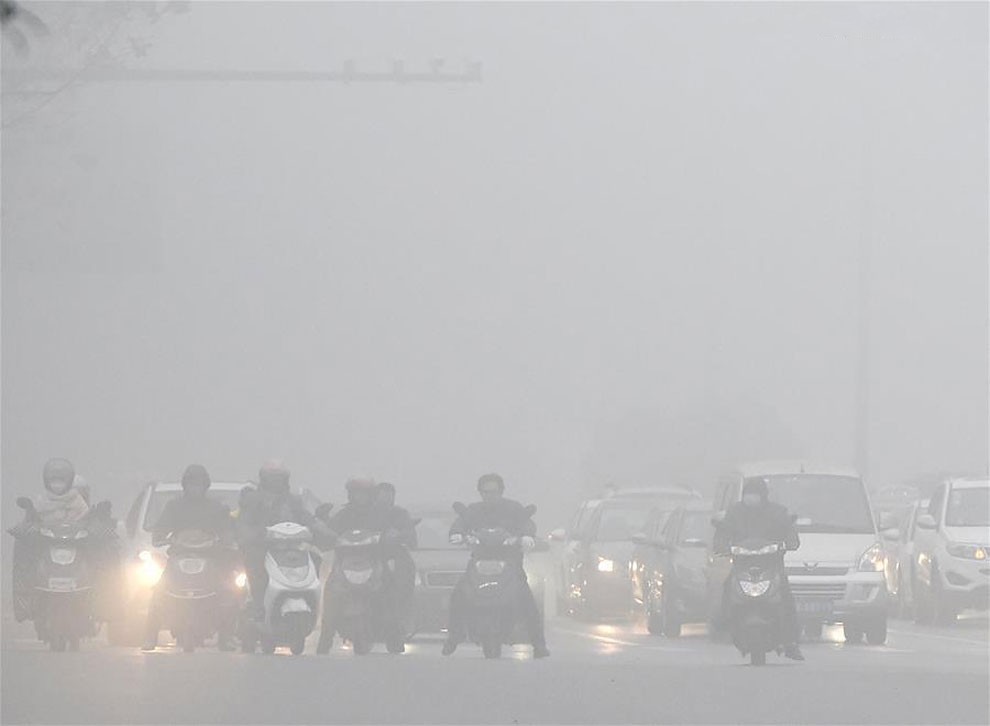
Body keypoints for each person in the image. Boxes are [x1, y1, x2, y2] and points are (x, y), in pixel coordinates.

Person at [442, 473, 549, 658]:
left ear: (501, 491)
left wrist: (526, 536)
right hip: (478, 562)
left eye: (493, 491)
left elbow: (527, 523)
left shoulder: (514, 509)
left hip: (510, 563)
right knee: (458, 595)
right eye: (485, 492)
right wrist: (457, 534)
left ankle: (539, 644)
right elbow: (460, 523)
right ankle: (454, 636)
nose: (489, 495)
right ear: (480, 493)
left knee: (527, 600)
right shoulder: (473, 510)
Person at [142, 464, 237, 651]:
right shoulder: (174, 506)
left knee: (228, 592)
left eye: (199, 484)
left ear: (205, 486)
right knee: (159, 591)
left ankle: (226, 637)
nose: (195, 488)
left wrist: (226, 540)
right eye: (192, 484)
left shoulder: (216, 508)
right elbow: (161, 529)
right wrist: (161, 536)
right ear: (185, 485)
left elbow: (226, 530)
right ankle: (150, 637)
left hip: (210, 558)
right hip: (178, 557)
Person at [714, 477, 804, 661]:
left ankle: (790, 641)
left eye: (755, 494)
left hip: (771, 565)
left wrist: (789, 542)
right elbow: (723, 533)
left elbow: (790, 533)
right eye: (748, 494)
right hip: (742, 565)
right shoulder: (735, 512)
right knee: (727, 586)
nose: (751, 497)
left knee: (786, 596)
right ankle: (722, 624)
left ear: (763, 495)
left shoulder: (777, 513)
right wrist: (722, 545)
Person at [236, 460, 328, 620]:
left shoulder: (293, 501)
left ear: (285, 479)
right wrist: (253, 534)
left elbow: (307, 519)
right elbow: (244, 523)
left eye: (279, 478)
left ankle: (311, 599)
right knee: (255, 563)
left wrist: (324, 533)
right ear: (264, 479)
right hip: (263, 549)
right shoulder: (252, 500)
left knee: (315, 557)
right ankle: (257, 603)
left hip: (291, 549)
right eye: (272, 478)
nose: (275, 482)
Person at [10, 459, 91, 621]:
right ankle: (26, 606)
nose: (57, 485)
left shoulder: (78, 503)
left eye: (61, 481)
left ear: (69, 482)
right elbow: (32, 522)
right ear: (47, 482)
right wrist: (29, 518)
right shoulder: (41, 501)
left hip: (76, 548)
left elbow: (87, 521)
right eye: (54, 481)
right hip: (46, 549)